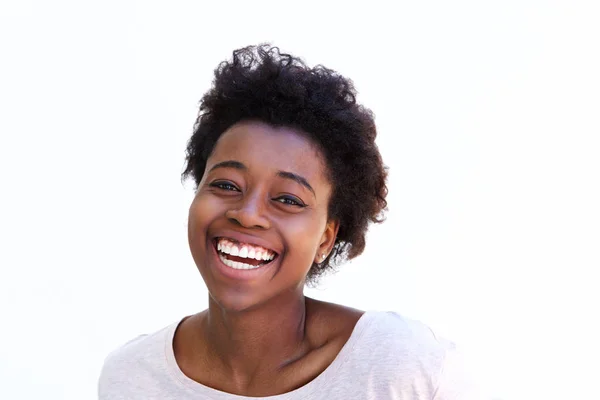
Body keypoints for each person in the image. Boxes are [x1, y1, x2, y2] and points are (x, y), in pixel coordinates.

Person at [98, 44, 481, 399]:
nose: (247, 214)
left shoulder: (403, 368)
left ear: (326, 239)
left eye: (287, 199)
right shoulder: (131, 377)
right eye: (227, 184)